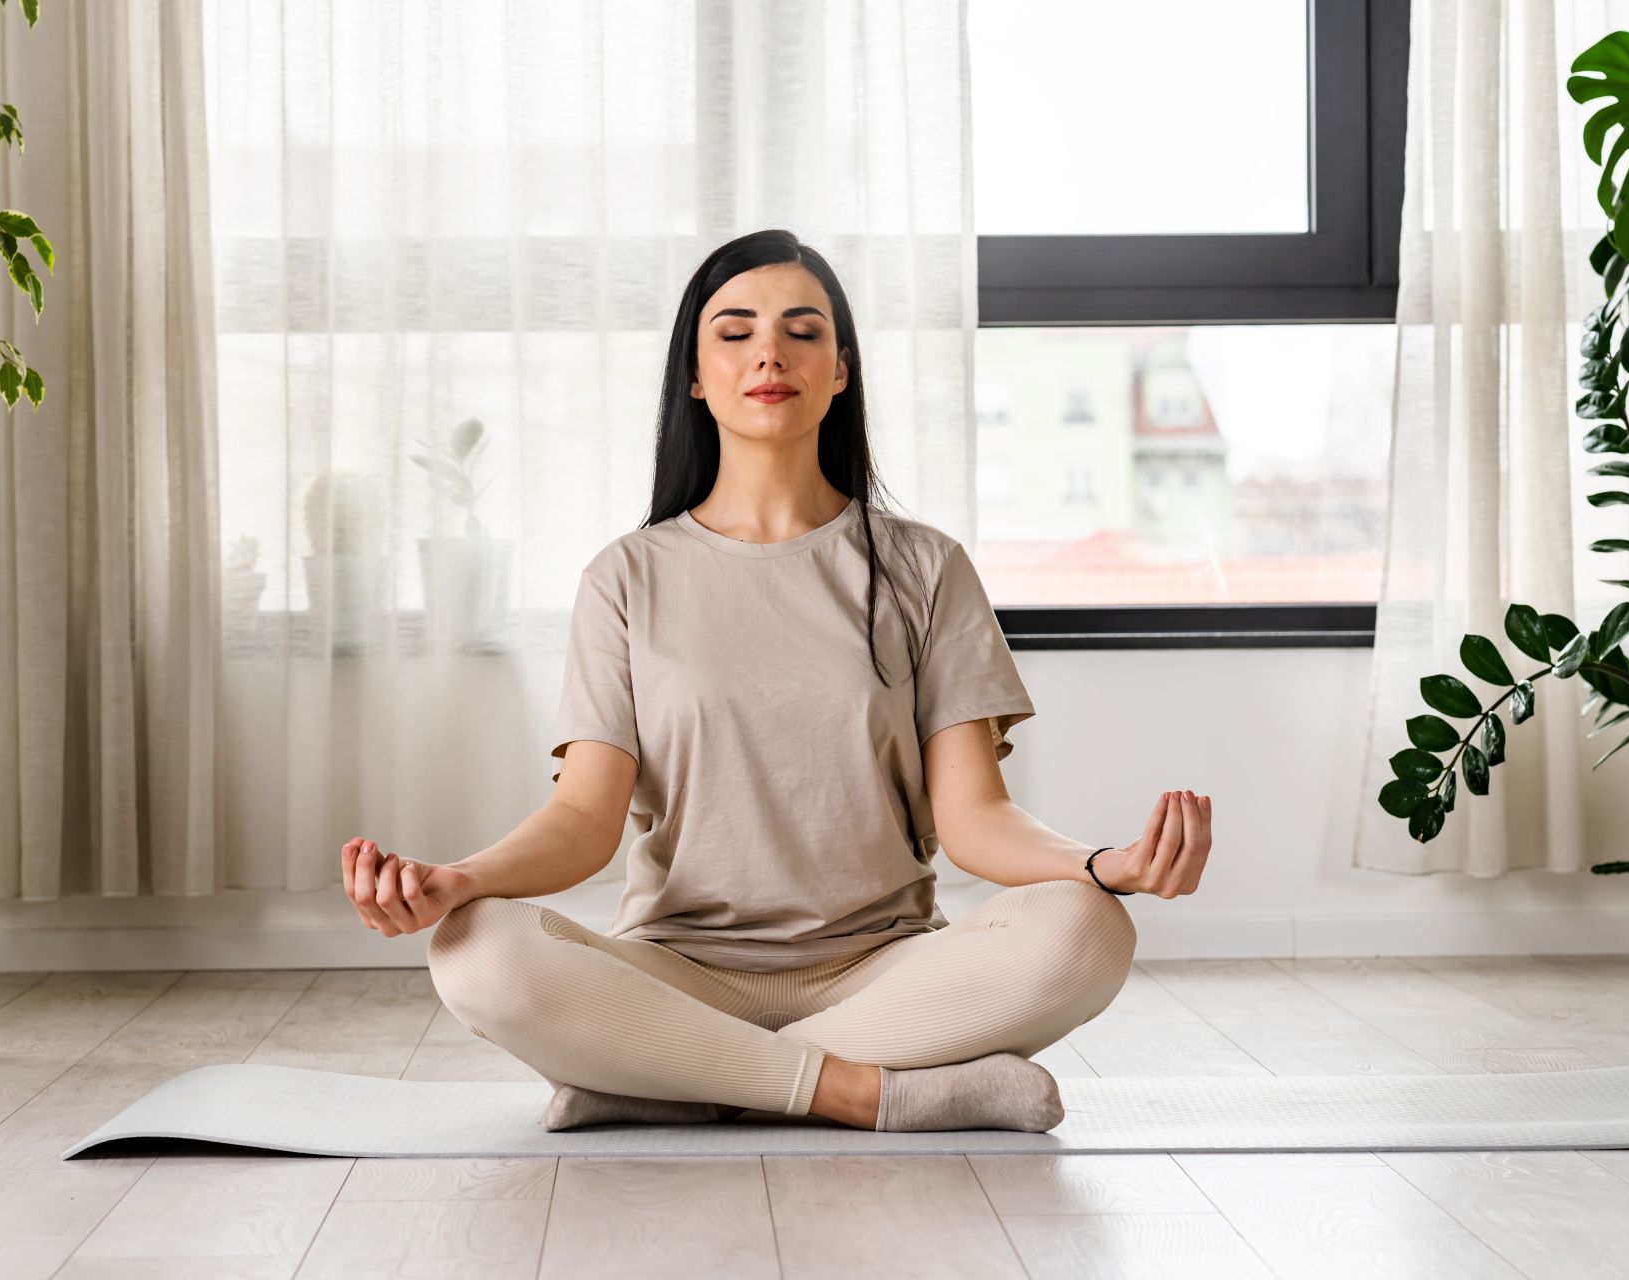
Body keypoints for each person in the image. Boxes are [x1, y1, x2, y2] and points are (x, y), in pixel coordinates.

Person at [341, 229, 1214, 1133]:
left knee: (1089, 928)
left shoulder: (923, 567)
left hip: (885, 970)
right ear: (694, 374)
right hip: (679, 970)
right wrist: (456, 881)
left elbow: (974, 820)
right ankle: (870, 1092)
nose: (769, 352)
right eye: (735, 331)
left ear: (840, 370)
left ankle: (665, 1079)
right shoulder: (626, 577)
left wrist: (1102, 866)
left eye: (803, 330)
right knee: (477, 948)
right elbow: (580, 821)